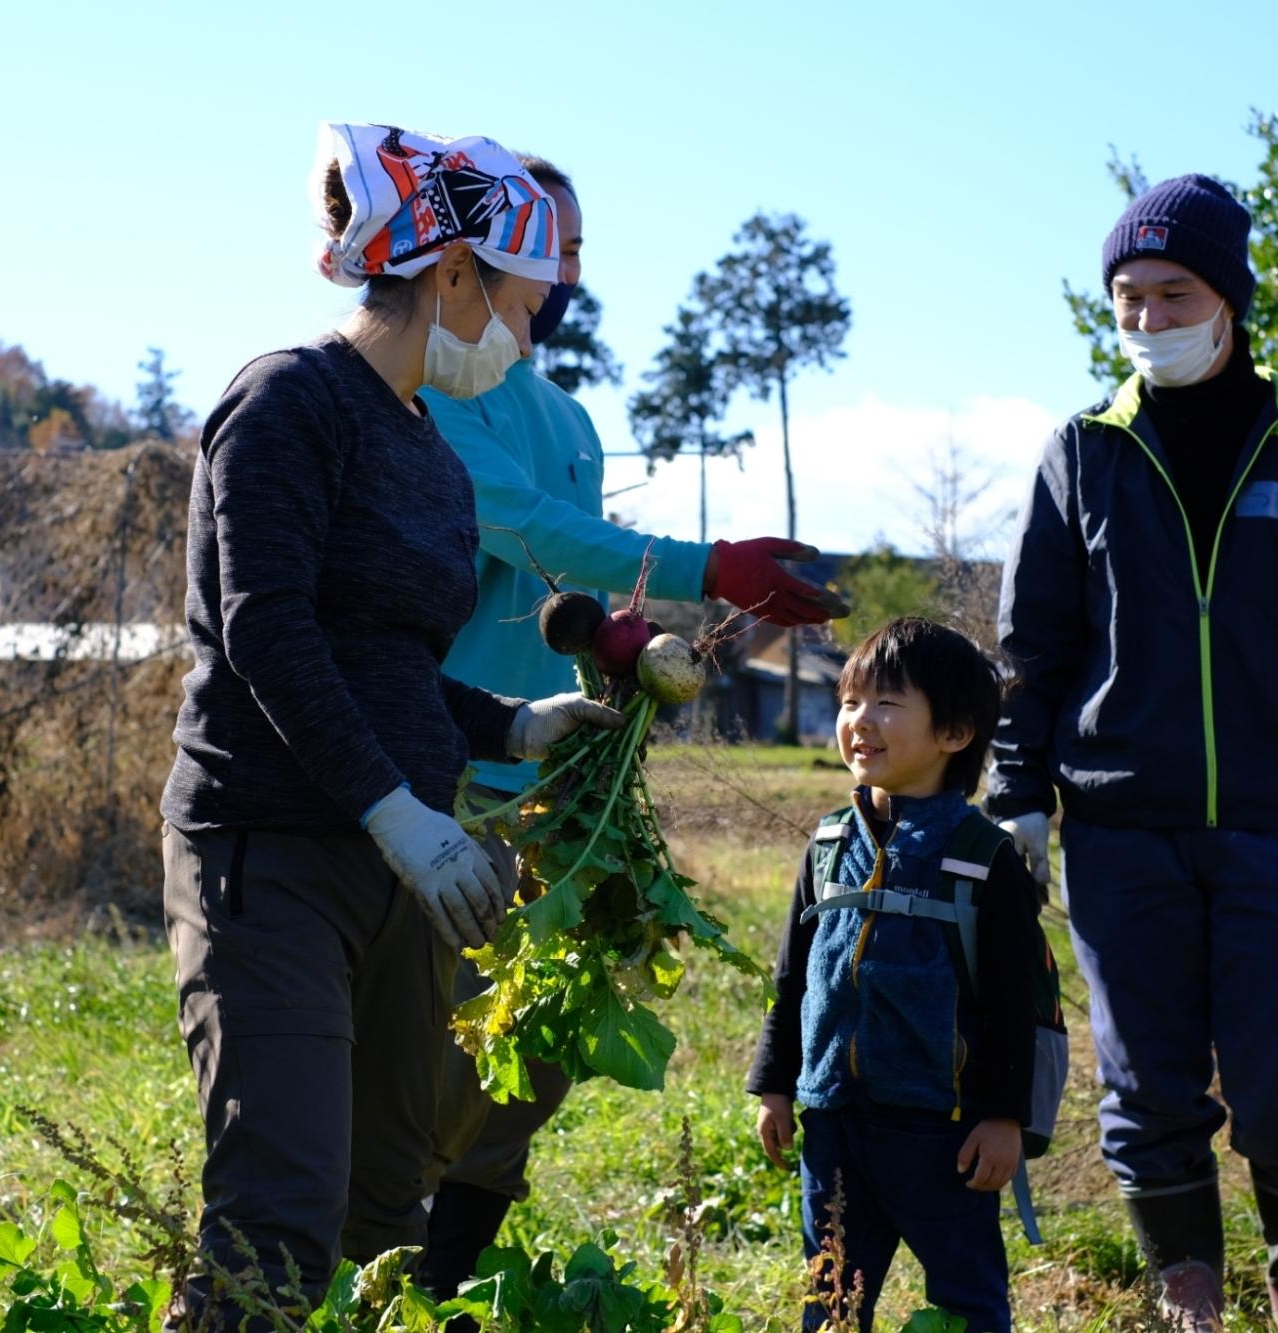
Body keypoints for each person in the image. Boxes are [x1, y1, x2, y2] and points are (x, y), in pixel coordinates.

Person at [158, 123, 629, 1330]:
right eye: (520, 305)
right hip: (271, 851)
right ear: (452, 273)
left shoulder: (430, 450)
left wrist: (513, 726)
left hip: (398, 865)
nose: (525, 335)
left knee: (381, 1214)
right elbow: (269, 632)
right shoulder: (286, 400)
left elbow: (394, 664)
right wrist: (394, 811)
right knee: (279, 1209)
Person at [986, 174, 1278, 1333]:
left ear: (1228, 299)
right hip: (1118, 823)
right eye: (1127, 299)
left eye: (1171, 294)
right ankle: (1185, 1282)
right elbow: (1031, 647)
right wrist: (1014, 789)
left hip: (1277, 817)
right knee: (1145, 1076)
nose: (1146, 319)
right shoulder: (1082, 451)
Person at [417, 154, 847, 1298]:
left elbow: (567, 571)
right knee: (439, 1047)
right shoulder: (433, 394)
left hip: (560, 784)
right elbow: (517, 523)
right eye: (542, 252)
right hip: (450, 772)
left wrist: (621, 641)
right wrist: (708, 565)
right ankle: (386, 1260)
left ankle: (447, 1279)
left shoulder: (566, 414)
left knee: (538, 1048)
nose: (559, 277)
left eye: (573, 253)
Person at [747, 617, 1042, 1333]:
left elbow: (1014, 1003)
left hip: (942, 1134)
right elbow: (794, 979)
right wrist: (774, 1084)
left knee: (968, 1302)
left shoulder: (983, 857)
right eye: (851, 701)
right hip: (833, 1121)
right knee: (832, 1303)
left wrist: (1004, 1117)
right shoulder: (827, 843)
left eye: (886, 703)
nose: (859, 720)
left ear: (955, 733)